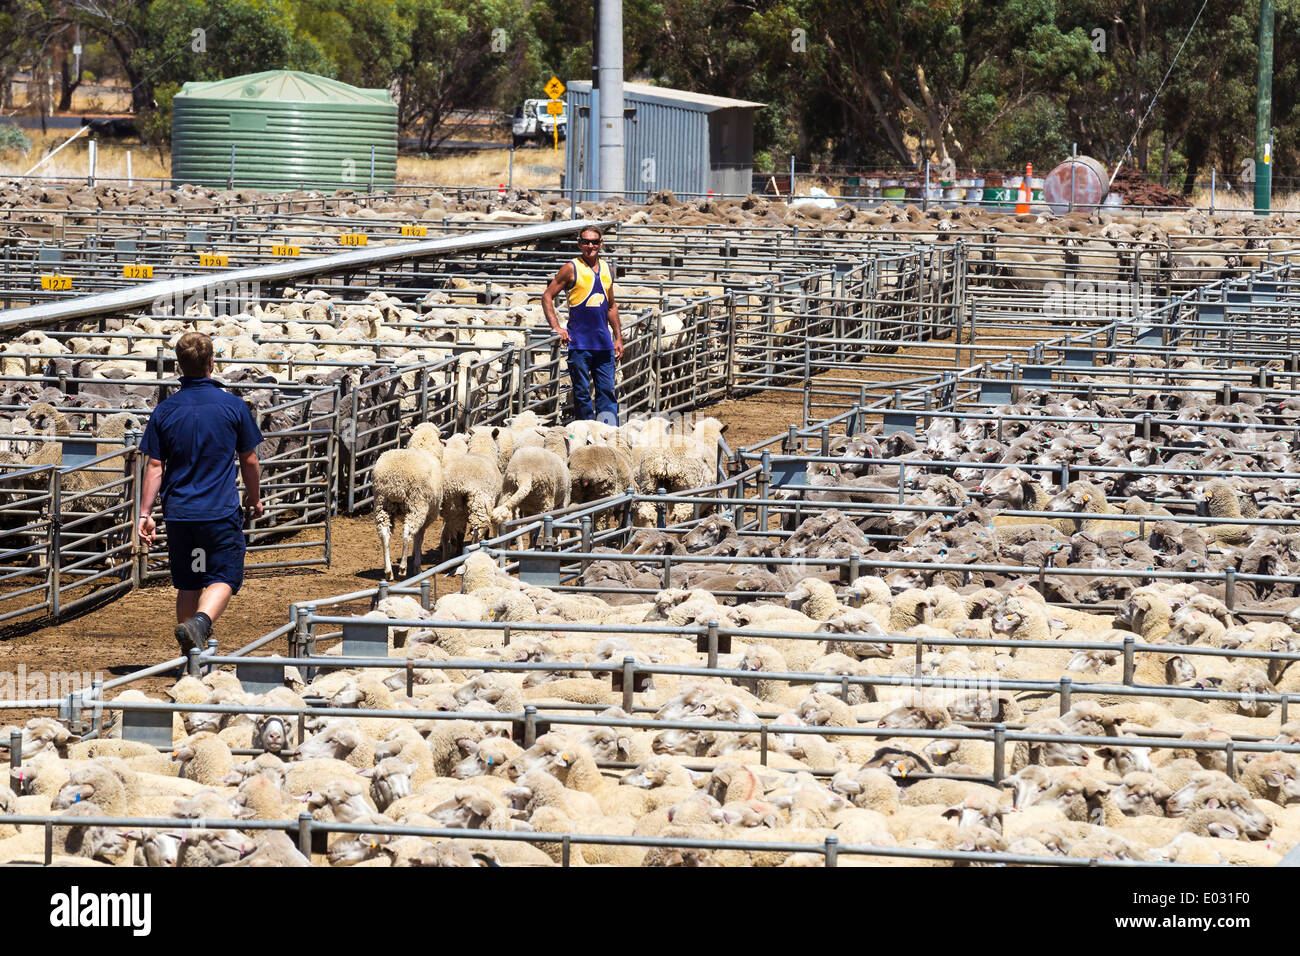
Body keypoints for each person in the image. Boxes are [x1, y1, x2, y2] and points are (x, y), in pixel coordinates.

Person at [136, 331, 264, 657]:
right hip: (218, 512)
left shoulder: (165, 411)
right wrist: (254, 496)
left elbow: (153, 466)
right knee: (224, 575)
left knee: (190, 580)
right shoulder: (233, 407)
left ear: (179, 364)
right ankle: (201, 624)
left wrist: (144, 513)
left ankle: (189, 656)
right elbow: (249, 459)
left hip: (181, 514)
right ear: (212, 362)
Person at [541, 226, 623, 424]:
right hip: (580, 342)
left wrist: (618, 337)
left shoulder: (607, 269)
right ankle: (585, 436)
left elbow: (611, 305)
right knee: (582, 393)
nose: (590, 246)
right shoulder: (571, 268)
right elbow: (547, 296)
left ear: (601, 244)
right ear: (579, 244)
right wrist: (557, 327)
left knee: (607, 392)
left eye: (595, 242)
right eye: (586, 242)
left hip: (603, 343)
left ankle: (608, 434)